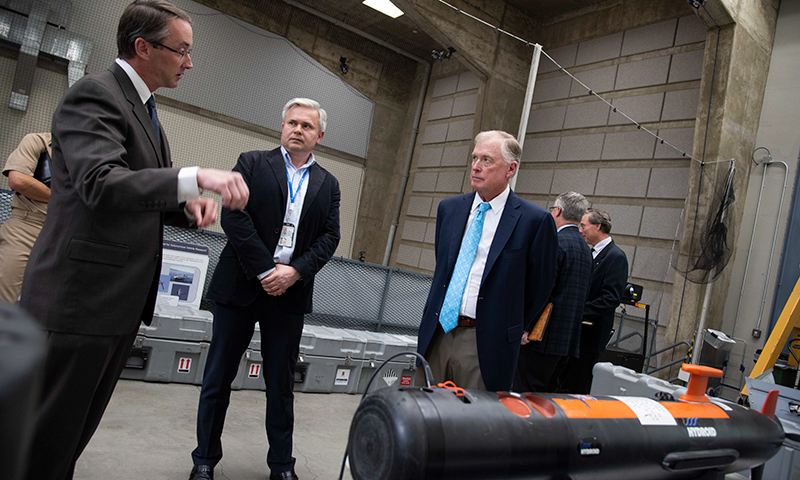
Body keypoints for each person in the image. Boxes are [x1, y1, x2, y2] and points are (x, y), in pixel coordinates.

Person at [18, 2, 249, 479]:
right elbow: (100, 183)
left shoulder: (143, 106)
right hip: (79, 304)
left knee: (68, 440)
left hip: (114, 307)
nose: (189, 62)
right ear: (143, 47)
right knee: (44, 443)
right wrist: (192, 175)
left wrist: (187, 208)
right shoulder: (95, 94)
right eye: (181, 50)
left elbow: (134, 188)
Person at [189, 98, 340, 480]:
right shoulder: (252, 163)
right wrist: (265, 270)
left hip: (289, 295)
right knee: (218, 377)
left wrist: (294, 273)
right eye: (291, 123)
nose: (297, 130)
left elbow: (330, 236)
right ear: (282, 127)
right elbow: (233, 217)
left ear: (319, 136)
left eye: (306, 126)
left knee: (281, 384)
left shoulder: (329, 184)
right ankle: (204, 461)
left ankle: (282, 466)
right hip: (240, 286)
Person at [416, 130, 558, 392]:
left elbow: (541, 284)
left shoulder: (534, 221)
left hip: (486, 342)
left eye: (487, 160)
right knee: (424, 415)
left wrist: (512, 326)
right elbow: (444, 266)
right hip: (438, 334)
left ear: (510, 169)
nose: (476, 167)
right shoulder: (449, 209)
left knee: (472, 424)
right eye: (474, 158)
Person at [513, 191, 592, 393]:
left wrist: (526, 326)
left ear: (557, 211)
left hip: (541, 337)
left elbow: (543, 288)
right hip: (567, 340)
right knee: (549, 399)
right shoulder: (586, 249)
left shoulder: (555, 242)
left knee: (525, 394)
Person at [559, 208, 628, 394]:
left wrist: (579, 311)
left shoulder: (615, 257)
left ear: (597, 226)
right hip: (576, 333)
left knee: (578, 385)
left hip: (590, 335)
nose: (580, 230)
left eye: (583, 226)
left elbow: (610, 298)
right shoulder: (590, 253)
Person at [0, 132, 51, 303]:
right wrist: (63, 198)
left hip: (68, 231)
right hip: (28, 225)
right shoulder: (40, 141)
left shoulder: (93, 153)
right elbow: (19, 180)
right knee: (3, 298)